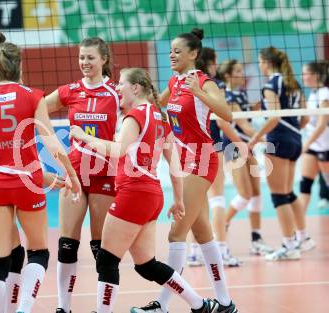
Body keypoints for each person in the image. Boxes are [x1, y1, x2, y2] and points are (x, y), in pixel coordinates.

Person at [70, 67, 219, 313]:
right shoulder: (160, 118)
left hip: (134, 192)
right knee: (146, 265)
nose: (117, 88)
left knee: (107, 259)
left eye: (121, 84)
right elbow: (174, 164)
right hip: (153, 195)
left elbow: (118, 149)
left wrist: (82, 136)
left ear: (136, 88)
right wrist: (178, 199)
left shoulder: (136, 116)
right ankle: (201, 305)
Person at [0, 41, 81, 313]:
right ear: (19, 66)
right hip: (27, 182)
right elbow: (53, 145)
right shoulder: (32, 96)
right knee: (38, 252)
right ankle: (23, 309)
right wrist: (72, 174)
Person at [132, 28, 238, 313]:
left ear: (194, 54)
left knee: (176, 234)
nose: (172, 55)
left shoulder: (203, 82)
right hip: (185, 158)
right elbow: (158, 103)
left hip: (203, 158)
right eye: (170, 51)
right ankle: (225, 303)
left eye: (178, 51)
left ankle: (163, 306)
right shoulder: (173, 81)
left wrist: (199, 93)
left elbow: (227, 115)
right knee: (203, 234)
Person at [45, 37, 119, 313]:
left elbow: (143, 109)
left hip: (104, 173)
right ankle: (63, 307)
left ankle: (102, 308)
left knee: (100, 247)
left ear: (103, 59)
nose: (85, 63)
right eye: (81, 58)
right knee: (67, 244)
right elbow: (38, 109)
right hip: (74, 172)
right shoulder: (70, 91)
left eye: (90, 58)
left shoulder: (115, 92)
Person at [248, 46, 310, 261]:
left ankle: (289, 245)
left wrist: (255, 138)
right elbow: (306, 118)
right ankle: (303, 238)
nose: (259, 64)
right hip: (295, 140)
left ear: (266, 62)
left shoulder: (271, 84)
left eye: (260, 61)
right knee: (287, 192)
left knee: (278, 196)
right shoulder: (293, 83)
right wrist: (293, 132)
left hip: (279, 140)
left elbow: (273, 118)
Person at [187, 47, 241, 267]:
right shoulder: (209, 85)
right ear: (209, 63)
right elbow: (222, 119)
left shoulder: (182, 84)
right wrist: (240, 143)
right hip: (212, 145)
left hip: (190, 147)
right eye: (215, 61)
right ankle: (222, 250)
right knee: (217, 199)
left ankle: (193, 251)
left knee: (196, 201)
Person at [217, 59, 274, 256]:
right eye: (238, 71)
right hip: (233, 148)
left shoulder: (241, 94)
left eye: (242, 70)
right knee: (245, 194)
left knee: (257, 192)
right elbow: (244, 126)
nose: (242, 74)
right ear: (228, 75)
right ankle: (222, 223)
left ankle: (256, 239)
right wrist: (266, 138)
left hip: (246, 147)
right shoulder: (230, 97)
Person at [299, 60, 329, 246]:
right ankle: (298, 231)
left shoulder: (325, 93)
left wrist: (306, 142)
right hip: (314, 145)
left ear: (316, 75)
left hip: (326, 145)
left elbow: (323, 123)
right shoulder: (312, 94)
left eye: (306, 73)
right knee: (305, 184)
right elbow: (310, 122)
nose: (304, 77)